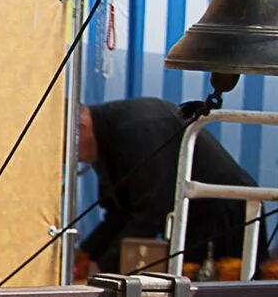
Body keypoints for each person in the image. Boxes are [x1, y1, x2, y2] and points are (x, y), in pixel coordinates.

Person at [75, 97, 257, 277]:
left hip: (223, 212)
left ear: (81, 128)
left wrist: (102, 267)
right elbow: (117, 214)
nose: (73, 160)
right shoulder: (107, 136)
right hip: (191, 217)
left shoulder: (139, 126)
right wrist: (81, 257)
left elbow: (152, 210)